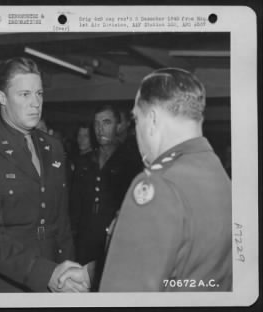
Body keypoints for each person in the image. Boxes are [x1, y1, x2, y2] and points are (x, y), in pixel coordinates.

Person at [58, 68, 233, 292]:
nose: (135, 130)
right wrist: (90, 273)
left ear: (152, 119)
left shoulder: (158, 187)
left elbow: (124, 295)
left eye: (136, 119)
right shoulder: (217, 175)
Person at [0, 57, 86, 293]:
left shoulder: (52, 147)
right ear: (2, 98)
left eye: (39, 93)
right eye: (24, 94)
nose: (35, 103)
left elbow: (61, 224)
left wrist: (68, 274)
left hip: (50, 279)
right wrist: (46, 273)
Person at [69, 104, 142, 285]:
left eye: (107, 122)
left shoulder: (131, 163)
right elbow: (74, 206)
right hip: (83, 244)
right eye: (97, 124)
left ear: (118, 126)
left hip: (114, 244)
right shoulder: (84, 163)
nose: (100, 128)